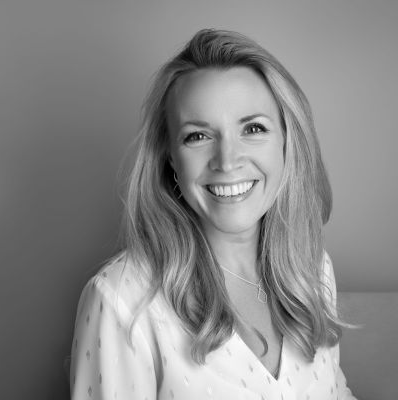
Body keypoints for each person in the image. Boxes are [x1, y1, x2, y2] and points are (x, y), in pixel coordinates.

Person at [69, 29, 357, 400]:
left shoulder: (311, 267)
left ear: (288, 142)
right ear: (170, 157)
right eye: (198, 136)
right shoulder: (121, 301)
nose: (227, 161)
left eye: (253, 128)